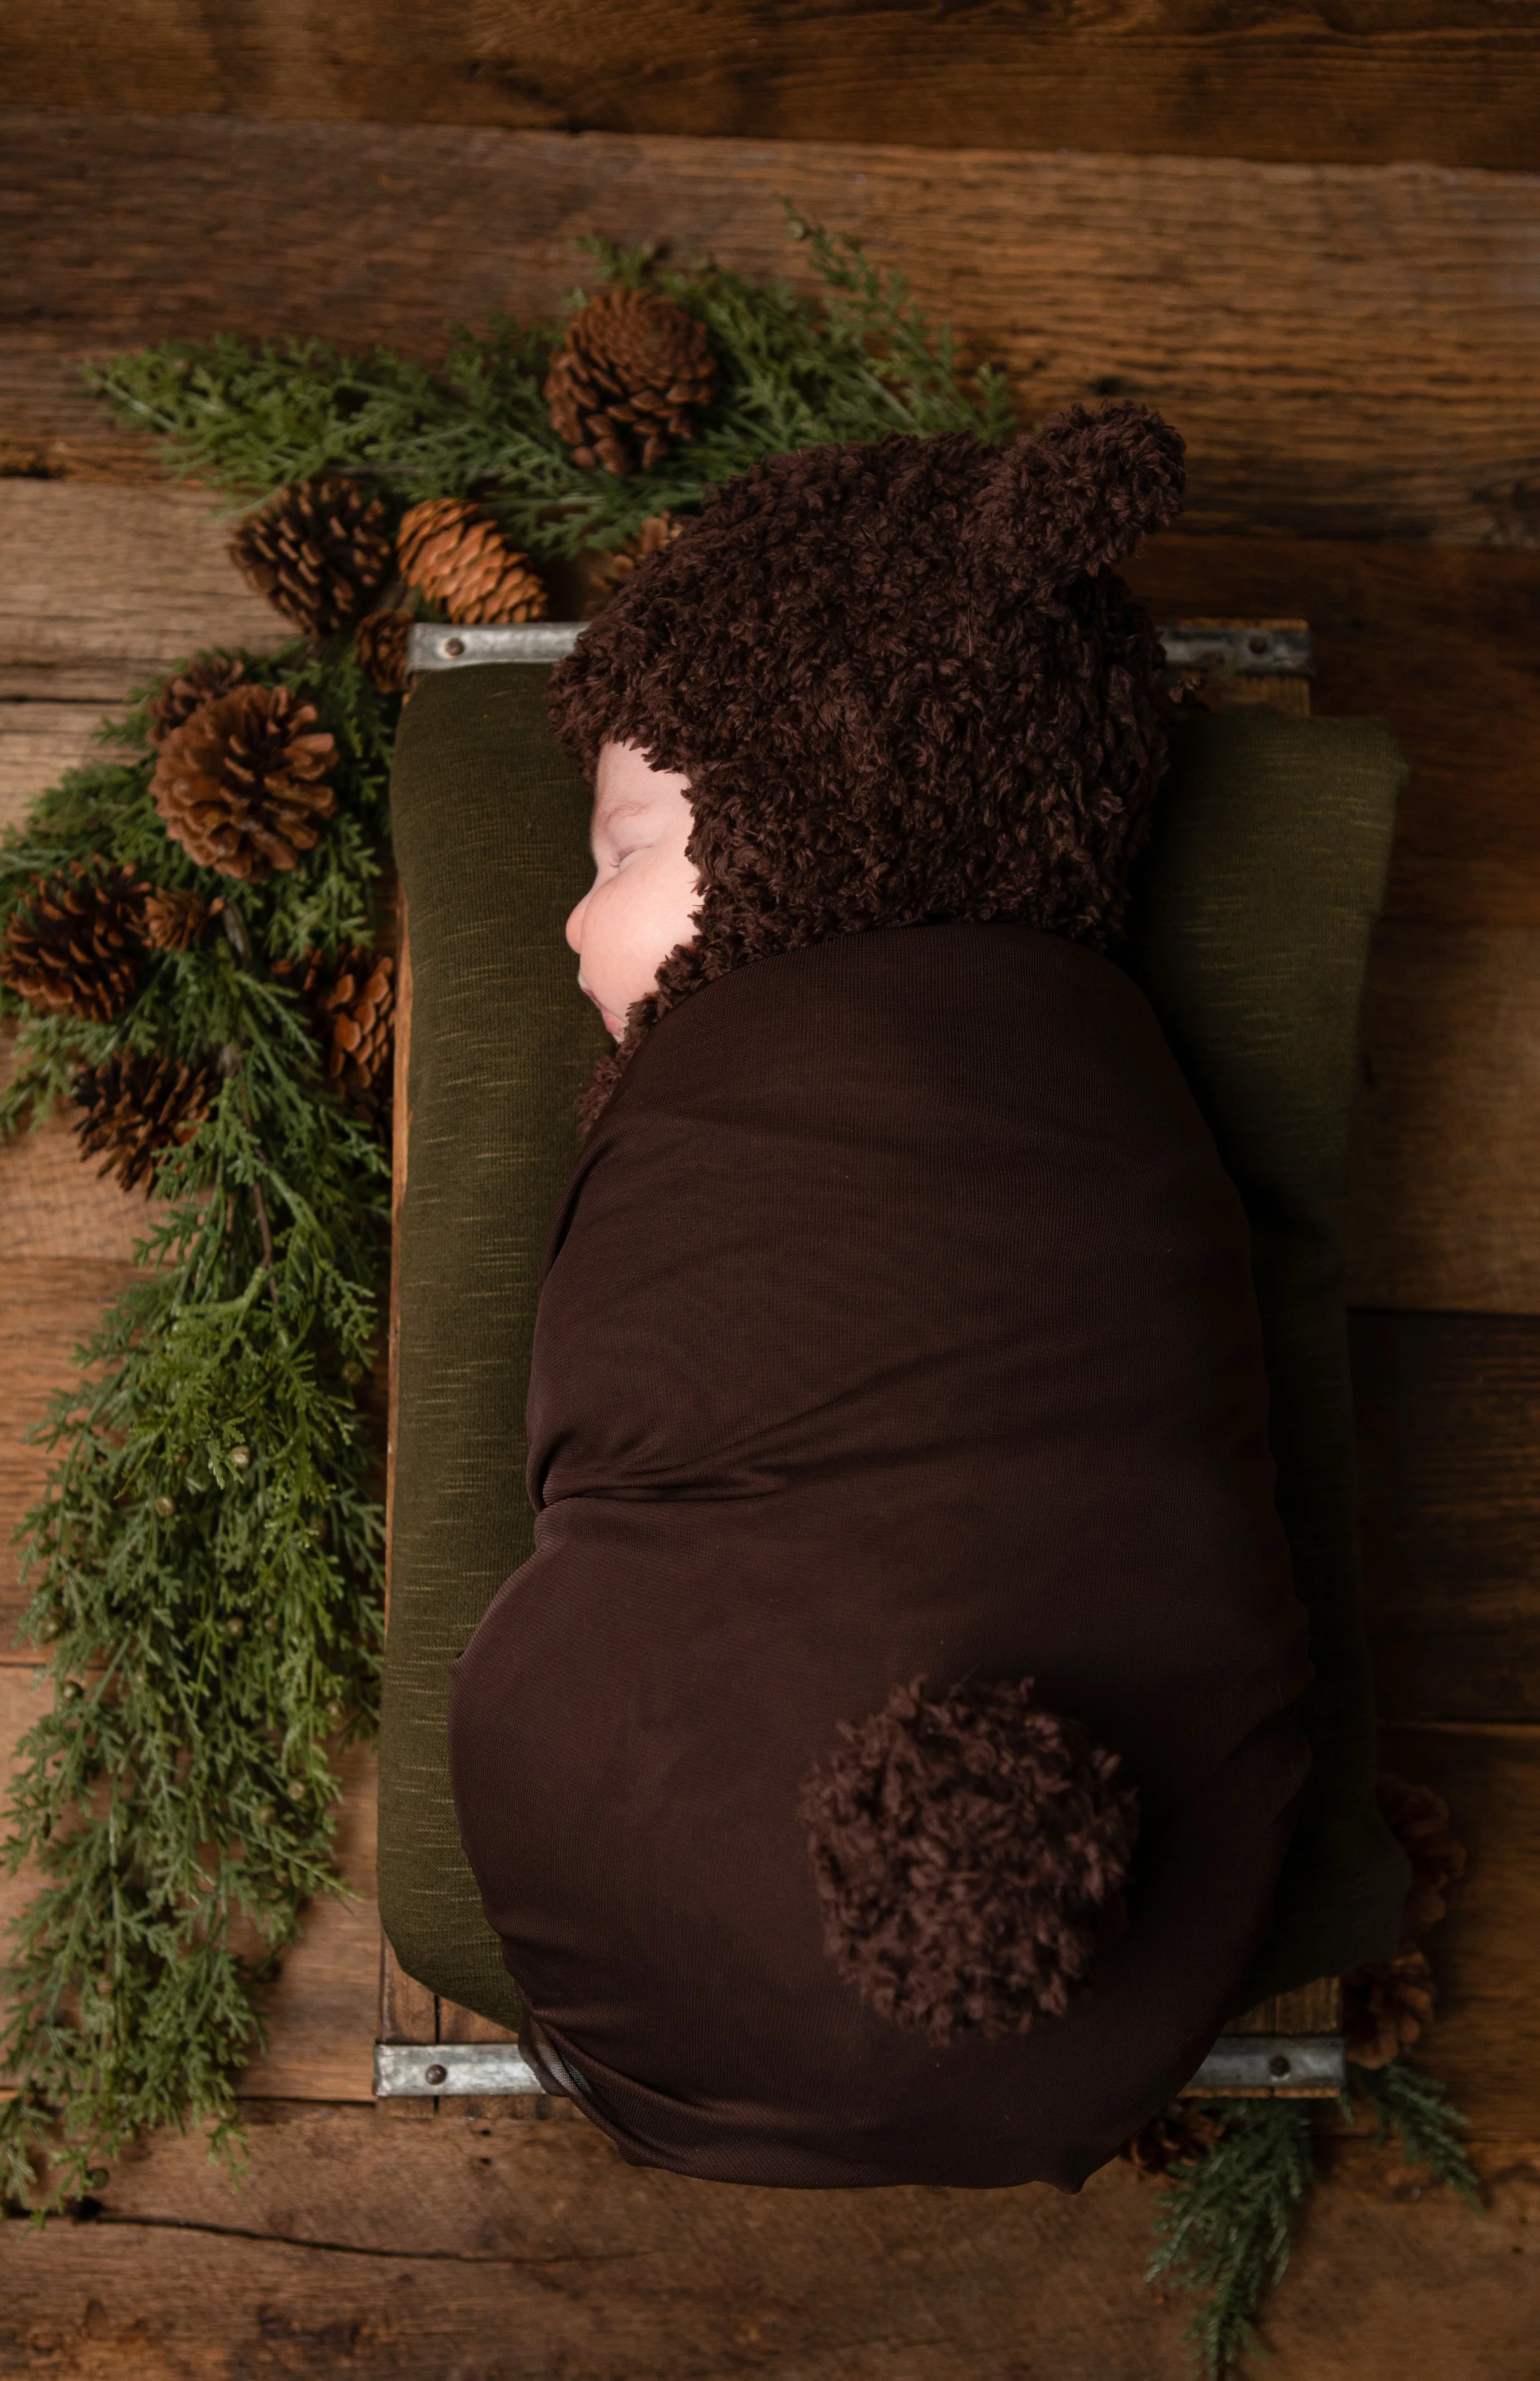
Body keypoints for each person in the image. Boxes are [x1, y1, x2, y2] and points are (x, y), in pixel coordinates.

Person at [447, 404, 1312, 2190]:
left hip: (727, 1934)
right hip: (1122, 1998)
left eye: (616, 851)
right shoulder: (1099, 1061)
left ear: (820, 803)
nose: (565, 929)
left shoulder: (936, 1065)